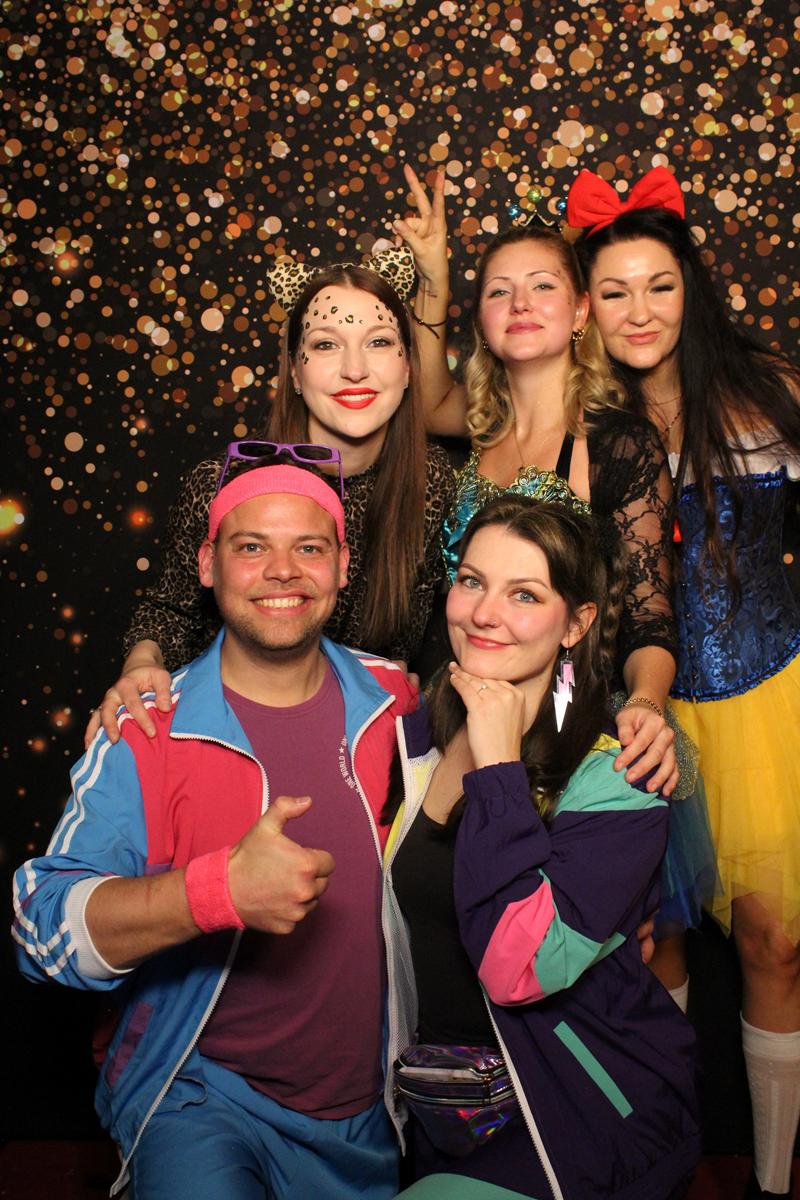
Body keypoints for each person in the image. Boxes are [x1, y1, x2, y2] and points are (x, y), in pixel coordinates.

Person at [13, 465, 419, 1200]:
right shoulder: (145, 730)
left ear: (342, 566)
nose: (283, 571)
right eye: (251, 547)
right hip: (201, 1097)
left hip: (370, 1112)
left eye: (309, 548)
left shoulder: (393, 699)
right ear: (207, 565)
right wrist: (215, 893)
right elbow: (40, 931)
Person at [394, 167, 718, 1009]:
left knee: (610, 954)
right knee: (450, 917)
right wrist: (434, 273)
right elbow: (422, 394)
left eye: (543, 285)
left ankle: (641, 1089)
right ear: (482, 322)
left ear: (579, 311)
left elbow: (650, 611)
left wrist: (646, 703)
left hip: (575, 719)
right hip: (459, 708)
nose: (521, 303)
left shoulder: (619, 442)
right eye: (499, 292)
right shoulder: (474, 426)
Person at [568, 166, 800, 1200]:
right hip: (628, 714)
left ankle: (771, 1182)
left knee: (773, 943)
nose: (638, 311)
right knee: (644, 942)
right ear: (584, 305)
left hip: (765, 707)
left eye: (657, 286)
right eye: (613, 290)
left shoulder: (766, 392)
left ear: (690, 287)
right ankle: (660, 1169)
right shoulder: (573, 415)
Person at [381, 496, 700, 1200]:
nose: (484, 613)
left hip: (574, 1120)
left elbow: (518, 970)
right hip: (446, 1112)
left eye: (524, 594)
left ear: (576, 623)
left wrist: (498, 768)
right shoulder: (415, 739)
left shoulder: (619, 778)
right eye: (472, 581)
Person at [86, 250, 454, 745]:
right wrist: (142, 662)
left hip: (358, 737)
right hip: (227, 728)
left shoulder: (432, 482)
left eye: (379, 342)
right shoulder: (224, 482)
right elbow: (171, 608)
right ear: (295, 372)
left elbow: (408, 639)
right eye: (326, 344)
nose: (354, 370)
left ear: (409, 366)